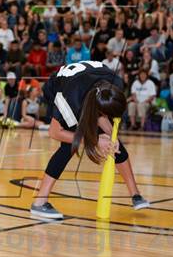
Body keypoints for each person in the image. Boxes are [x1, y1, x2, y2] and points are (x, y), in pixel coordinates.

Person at [30, 61, 149, 219]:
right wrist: (94, 141)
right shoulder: (70, 98)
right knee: (68, 146)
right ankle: (39, 202)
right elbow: (55, 132)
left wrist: (112, 136)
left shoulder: (116, 83)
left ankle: (135, 195)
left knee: (114, 143)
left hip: (88, 87)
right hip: (59, 87)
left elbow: (102, 113)